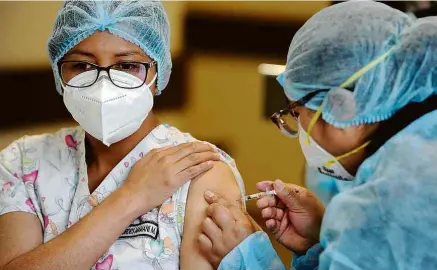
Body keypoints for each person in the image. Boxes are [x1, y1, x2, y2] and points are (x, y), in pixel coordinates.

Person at [0, 1, 245, 270]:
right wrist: (130, 198)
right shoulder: (23, 162)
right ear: (60, 72)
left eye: (127, 66)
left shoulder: (200, 170)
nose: (103, 84)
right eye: (82, 66)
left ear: (158, 71)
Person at [197, 2, 437, 269]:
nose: (297, 127)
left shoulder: (393, 197)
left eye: (297, 113)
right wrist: (320, 242)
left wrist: (246, 258)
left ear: (341, 106)